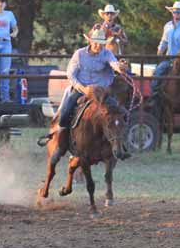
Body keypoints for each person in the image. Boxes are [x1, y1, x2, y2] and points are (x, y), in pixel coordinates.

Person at [52, 27, 128, 159]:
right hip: (82, 90)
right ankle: (61, 146)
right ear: (90, 42)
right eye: (96, 42)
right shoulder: (79, 54)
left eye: (101, 43)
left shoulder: (107, 53)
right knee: (64, 114)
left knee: (122, 113)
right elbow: (71, 74)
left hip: (102, 93)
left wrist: (120, 67)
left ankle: (120, 144)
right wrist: (82, 88)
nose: (98, 46)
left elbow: (114, 64)